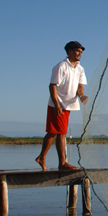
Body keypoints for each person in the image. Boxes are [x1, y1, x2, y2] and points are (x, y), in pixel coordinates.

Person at [35, 41, 88, 171]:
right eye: (77, 50)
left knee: (54, 132)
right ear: (69, 51)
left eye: (81, 51)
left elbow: (79, 86)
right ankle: (62, 163)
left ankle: (42, 157)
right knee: (60, 133)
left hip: (68, 105)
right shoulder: (61, 66)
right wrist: (56, 103)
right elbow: (52, 85)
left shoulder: (80, 69)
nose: (79, 53)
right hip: (58, 104)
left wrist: (81, 96)